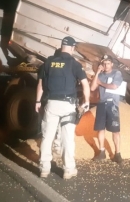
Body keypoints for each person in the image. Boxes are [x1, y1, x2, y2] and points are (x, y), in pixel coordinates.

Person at [35, 36, 90, 179]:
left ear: (61, 47)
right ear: (72, 48)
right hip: (68, 106)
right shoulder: (75, 64)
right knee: (67, 138)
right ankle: (68, 170)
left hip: (51, 104)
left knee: (47, 137)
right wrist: (87, 101)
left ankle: (44, 169)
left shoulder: (48, 62)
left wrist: (37, 101)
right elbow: (85, 85)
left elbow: (40, 85)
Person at [90, 54, 123, 164]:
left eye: (108, 63)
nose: (106, 65)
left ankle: (117, 154)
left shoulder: (116, 73)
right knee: (100, 129)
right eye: (104, 63)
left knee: (115, 130)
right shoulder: (100, 75)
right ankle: (102, 152)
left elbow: (114, 86)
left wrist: (101, 83)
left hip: (112, 104)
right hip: (101, 103)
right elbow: (92, 87)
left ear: (112, 64)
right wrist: (97, 73)